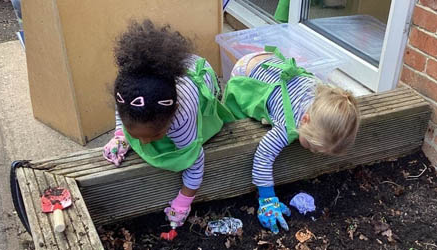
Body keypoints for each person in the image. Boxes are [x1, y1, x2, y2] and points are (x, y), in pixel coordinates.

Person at [102, 20, 234, 237]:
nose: (143, 143)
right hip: (160, 80)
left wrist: (184, 200)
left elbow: (195, 159)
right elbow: (121, 115)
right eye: (136, 135)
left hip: (201, 76)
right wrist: (119, 136)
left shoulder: (181, 117)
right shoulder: (128, 97)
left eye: (154, 135)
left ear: (173, 115)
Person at [223, 46, 360, 234]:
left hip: (269, 62)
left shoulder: (327, 97)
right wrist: (267, 199)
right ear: (304, 121)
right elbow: (263, 157)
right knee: (241, 119)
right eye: (312, 146)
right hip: (247, 71)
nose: (314, 153)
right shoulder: (286, 126)